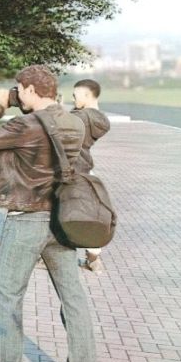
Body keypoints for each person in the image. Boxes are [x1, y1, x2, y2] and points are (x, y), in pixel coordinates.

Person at [0, 65, 97, 362]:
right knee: (74, 301)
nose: (16, 93)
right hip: (62, 222)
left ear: (29, 89)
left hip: (26, 220)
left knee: (10, 297)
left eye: (19, 89)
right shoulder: (74, 122)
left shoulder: (25, 125)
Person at [71, 79, 111, 274]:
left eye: (75, 95)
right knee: (89, 213)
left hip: (73, 169)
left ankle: (50, 256)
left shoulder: (79, 118)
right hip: (86, 169)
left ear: (87, 95)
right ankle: (93, 258)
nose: (73, 99)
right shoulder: (100, 119)